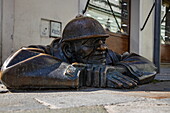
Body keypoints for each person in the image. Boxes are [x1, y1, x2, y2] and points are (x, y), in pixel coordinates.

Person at [0, 16, 157, 89]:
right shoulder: (50, 53)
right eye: (91, 43)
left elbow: (148, 66)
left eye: (103, 41)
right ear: (68, 49)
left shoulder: (107, 55)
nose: (102, 48)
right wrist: (85, 74)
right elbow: (9, 70)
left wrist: (117, 70)